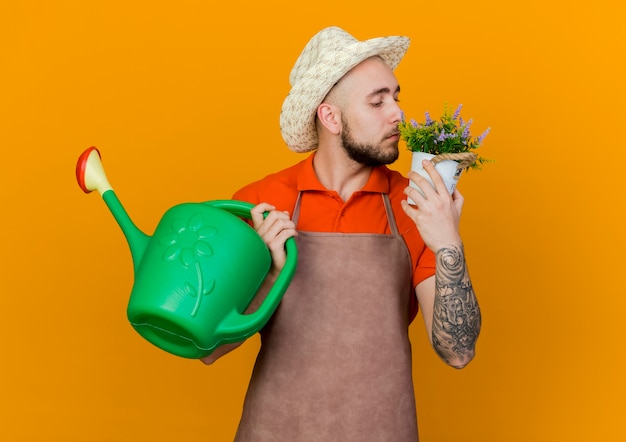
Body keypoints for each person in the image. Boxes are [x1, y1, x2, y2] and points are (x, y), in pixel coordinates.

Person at [202, 26, 482, 441]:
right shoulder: (261, 202)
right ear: (330, 117)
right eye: (377, 101)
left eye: (396, 96)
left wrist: (447, 243)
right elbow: (211, 350)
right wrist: (269, 276)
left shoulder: (413, 203)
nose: (398, 114)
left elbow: (458, 352)